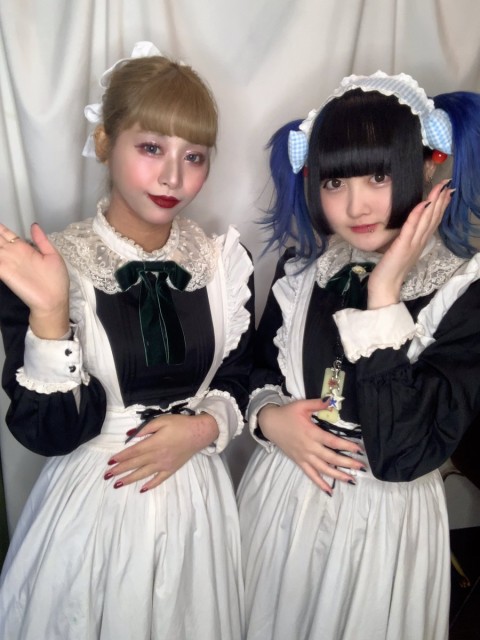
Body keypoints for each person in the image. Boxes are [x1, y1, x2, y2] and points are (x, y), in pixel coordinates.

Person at [0, 41, 253, 640]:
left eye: (194, 156)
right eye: (151, 148)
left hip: (197, 502)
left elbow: (243, 375)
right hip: (94, 502)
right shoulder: (50, 265)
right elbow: (50, 434)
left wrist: (204, 428)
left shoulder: (222, 262)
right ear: (104, 142)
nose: (173, 177)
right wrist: (52, 312)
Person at [237, 70, 480, 640]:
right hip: (281, 499)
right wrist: (271, 419)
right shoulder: (302, 272)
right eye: (334, 181)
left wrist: (385, 292)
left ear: (429, 165)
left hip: (385, 523)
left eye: (378, 175)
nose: (356, 204)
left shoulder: (464, 291)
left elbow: (402, 452)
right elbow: (255, 373)